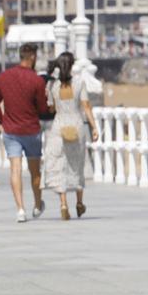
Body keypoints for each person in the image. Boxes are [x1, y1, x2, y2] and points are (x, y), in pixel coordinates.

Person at [0, 44, 49, 223]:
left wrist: (3, 120)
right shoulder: (37, 80)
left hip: (11, 131)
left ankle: (20, 210)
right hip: (31, 130)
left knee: (15, 170)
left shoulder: (4, 77)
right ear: (32, 57)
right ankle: (38, 204)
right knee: (35, 172)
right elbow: (42, 108)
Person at [43, 52, 99, 220]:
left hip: (59, 126)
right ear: (73, 65)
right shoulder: (79, 83)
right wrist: (94, 127)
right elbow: (86, 106)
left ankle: (63, 204)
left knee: (60, 164)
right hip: (76, 125)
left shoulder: (52, 86)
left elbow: (51, 109)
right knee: (77, 164)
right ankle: (79, 203)